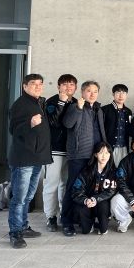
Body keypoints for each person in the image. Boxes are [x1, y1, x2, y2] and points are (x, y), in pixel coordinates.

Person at [7, 73, 52, 249]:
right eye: (33, 84)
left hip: (36, 158)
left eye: (40, 84)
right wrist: (30, 124)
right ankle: (15, 233)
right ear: (25, 86)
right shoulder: (20, 105)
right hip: (23, 159)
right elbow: (13, 130)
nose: (38, 87)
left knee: (28, 196)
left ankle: (24, 226)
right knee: (19, 198)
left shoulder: (38, 102)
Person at [61, 80, 106, 237]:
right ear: (82, 92)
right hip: (79, 155)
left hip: (95, 156)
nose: (92, 94)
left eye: (95, 91)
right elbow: (67, 124)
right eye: (88, 91)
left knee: (89, 189)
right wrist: (78, 108)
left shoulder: (98, 109)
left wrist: (104, 150)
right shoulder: (75, 106)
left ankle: (82, 219)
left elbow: (101, 132)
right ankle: (66, 222)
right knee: (72, 188)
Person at [43, 73, 77, 232]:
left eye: (71, 84)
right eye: (65, 84)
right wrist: (61, 103)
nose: (68, 87)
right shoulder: (51, 102)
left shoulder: (77, 103)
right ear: (58, 86)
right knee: (52, 184)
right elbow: (53, 123)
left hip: (71, 150)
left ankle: (65, 214)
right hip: (55, 150)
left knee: (66, 184)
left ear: (75, 87)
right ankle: (50, 216)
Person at [71, 141, 117, 235]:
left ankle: (102, 222)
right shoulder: (86, 171)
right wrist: (85, 200)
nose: (104, 156)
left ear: (110, 155)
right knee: (86, 231)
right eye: (101, 153)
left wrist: (95, 199)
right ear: (96, 154)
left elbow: (111, 191)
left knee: (103, 230)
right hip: (87, 202)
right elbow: (76, 190)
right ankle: (90, 223)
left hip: (102, 202)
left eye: (107, 153)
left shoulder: (113, 172)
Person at [101, 84, 133, 167]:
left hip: (124, 147)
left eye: (124, 93)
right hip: (108, 148)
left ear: (126, 95)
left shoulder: (128, 111)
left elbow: (130, 131)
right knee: (108, 170)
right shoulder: (104, 110)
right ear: (113, 94)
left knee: (122, 170)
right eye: (118, 92)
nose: (121, 95)